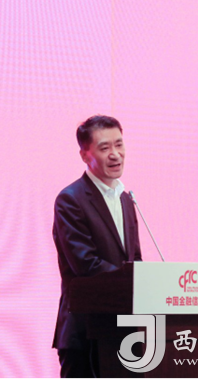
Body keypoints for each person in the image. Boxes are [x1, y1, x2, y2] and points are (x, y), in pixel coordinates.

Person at [52, 115, 142, 378]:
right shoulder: (71, 200)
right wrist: (134, 282)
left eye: (119, 144)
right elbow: (86, 265)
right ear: (85, 155)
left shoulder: (126, 200)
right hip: (86, 333)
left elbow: (135, 260)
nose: (115, 154)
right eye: (105, 148)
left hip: (125, 333)